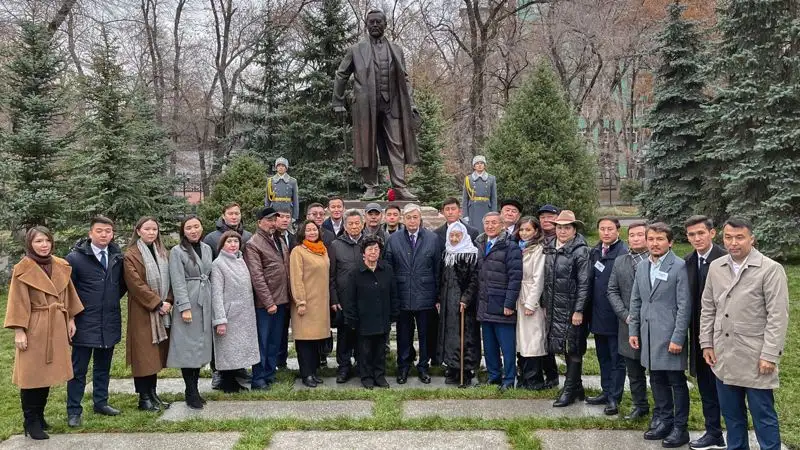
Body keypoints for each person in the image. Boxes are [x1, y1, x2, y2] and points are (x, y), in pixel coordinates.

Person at [700, 217, 788, 450]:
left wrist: (770, 355)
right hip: (723, 355)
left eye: (739, 237)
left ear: (751, 238)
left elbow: (778, 316)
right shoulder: (716, 268)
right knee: (732, 416)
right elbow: (708, 308)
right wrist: (706, 343)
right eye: (728, 237)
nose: (733, 243)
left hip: (755, 355)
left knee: (763, 416)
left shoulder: (770, 269)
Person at [333, 8, 420, 201]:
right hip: (365, 107)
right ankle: (370, 188)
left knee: (396, 145)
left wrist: (411, 104)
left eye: (378, 22)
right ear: (366, 25)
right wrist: (338, 101)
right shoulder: (356, 50)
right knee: (367, 146)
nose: (374, 25)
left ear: (385, 24)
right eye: (370, 22)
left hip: (393, 105)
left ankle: (399, 187)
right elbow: (341, 74)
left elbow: (405, 79)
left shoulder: (396, 50)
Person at [5, 227, 83, 440]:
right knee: (31, 375)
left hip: (56, 324)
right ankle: (30, 421)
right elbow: (17, 301)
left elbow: (69, 293)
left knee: (46, 373)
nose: (44, 245)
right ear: (30, 244)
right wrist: (19, 330)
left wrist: (70, 318)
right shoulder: (23, 269)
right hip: (34, 326)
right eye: (39, 241)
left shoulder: (60, 265)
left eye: (47, 240)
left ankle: (39, 416)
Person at [629, 222, 692, 448]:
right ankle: (664, 421)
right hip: (648, 335)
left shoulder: (679, 266)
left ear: (670, 242)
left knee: (675, 381)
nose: (655, 243)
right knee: (656, 379)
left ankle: (680, 427)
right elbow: (636, 300)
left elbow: (684, 306)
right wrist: (633, 330)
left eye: (660, 239)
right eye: (651, 239)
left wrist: (678, 338)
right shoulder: (643, 266)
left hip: (670, 336)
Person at [65, 216, 125, 427]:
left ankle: (101, 402)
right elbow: (67, 291)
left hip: (108, 321)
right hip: (84, 322)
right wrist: (71, 317)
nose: (104, 235)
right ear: (91, 233)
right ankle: (74, 410)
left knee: (103, 367)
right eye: (99, 231)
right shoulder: (75, 258)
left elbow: (121, 286)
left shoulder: (117, 256)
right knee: (78, 369)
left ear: (112, 234)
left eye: (108, 231)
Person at [683, 215, 727, 450]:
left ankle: (736, 435)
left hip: (723, 335)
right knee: (706, 387)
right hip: (699, 335)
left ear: (712, 233)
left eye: (701, 233)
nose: (697, 238)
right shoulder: (689, 261)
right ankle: (714, 433)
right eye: (691, 234)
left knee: (726, 387)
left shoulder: (725, 259)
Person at [385, 203, 442, 384]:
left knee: (425, 334)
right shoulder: (394, 240)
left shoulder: (432, 239)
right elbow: (389, 268)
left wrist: (437, 296)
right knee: (403, 335)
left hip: (425, 294)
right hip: (403, 295)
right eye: (408, 217)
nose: (411, 221)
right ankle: (403, 366)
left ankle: (423, 367)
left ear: (420, 219)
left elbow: (437, 269)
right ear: (403, 219)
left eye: (415, 217)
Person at [542, 210, 590, 407]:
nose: (562, 231)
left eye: (567, 227)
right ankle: (577, 387)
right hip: (555, 307)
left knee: (573, 348)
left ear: (574, 229)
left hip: (572, 308)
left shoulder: (580, 250)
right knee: (562, 347)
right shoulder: (550, 247)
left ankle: (569, 389)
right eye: (559, 227)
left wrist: (579, 310)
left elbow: (585, 283)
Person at [124, 217, 173, 412]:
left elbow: (171, 278)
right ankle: (143, 398)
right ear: (138, 231)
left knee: (155, 356)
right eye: (147, 229)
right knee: (143, 356)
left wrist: (168, 301)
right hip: (142, 312)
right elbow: (135, 284)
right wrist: (157, 303)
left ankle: (153, 394)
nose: (151, 232)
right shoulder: (131, 255)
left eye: (155, 229)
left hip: (162, 311)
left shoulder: (162, 252)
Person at [203, 202, 253, 389]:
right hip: (221, 294)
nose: (234, 216)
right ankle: (218, 371)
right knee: (222, 337)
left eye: (237, 213)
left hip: (241, 296)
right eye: (230, 213)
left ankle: (238, 368)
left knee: (238, 336)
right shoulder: (211, 238)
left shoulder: (247, 236)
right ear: (223, 215)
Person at [166, 216, 213, 410]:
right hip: (189, 302)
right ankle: (190, 390)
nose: (193, 230)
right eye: (189, 228)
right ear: (183, 231)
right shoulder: (177, 252)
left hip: (205, 300)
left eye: (196, 226)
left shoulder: (207, 248)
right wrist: (184, 307)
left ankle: (196, 389)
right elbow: (177, 280)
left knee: (201, 346)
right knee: (188, 347)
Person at [607, 221, 651, 421]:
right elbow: (612, 290)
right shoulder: (621, 261)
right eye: (631, 235)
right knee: (633, 371)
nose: (635, 239)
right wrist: (625, 315)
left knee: (659, 372)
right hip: (627, 324)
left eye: (640, 235)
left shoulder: (655, 261)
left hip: (653, 324)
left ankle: (662, 409)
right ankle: (639, 405)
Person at [475, 212, 523, 390]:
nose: (490, 226)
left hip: (502, 304)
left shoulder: (511, 247)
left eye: (494, 223)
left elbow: (515, 277)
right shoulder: (480, 243)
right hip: (485, 303)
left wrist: (509, 303)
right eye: (486, 223)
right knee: (489, 345)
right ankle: (493, 375)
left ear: (502, 225)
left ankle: (509, 379)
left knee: (507, 346)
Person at [245, 207, 290, 390]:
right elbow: (257, 277)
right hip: (265, 304)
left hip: (282, 300)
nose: (272, 223)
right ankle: (258, 377)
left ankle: (270, 373)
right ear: (259, 223)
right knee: (262, 341)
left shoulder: (279, 240)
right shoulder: (253, 244)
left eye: (274, 220)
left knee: (275, 340)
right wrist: (268, 302)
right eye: (269, 220)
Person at [344, 235, 399, 389]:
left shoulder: (387, 269)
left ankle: (379, 376)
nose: (373, 252)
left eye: (376, 249)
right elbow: (350, 299)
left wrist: (394, 313)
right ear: (363, 253)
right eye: (370, 249)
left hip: (382, 318)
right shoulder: (355, 273)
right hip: (363, 320)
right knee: (365, 351)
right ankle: (366, 377)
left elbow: (393, 293)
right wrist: (352, 318)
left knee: (380, 350)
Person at [587, 217, 628, 415]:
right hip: (598, 315)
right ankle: (606, 390)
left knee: (616, 359)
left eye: (610, 229)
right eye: (602, 228)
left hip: (616, 316)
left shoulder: (623, 252)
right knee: (603, 357)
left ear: (618, 231)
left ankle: (615, 397)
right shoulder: (595, 251)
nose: (606, 232)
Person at [210, 231, 260, 393]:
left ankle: (235, 381)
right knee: (228, 350)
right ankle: (227, 383)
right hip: (229, 314)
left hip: (244, 314)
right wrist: (220, 319)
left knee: (238, 349)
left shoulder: (242, 261)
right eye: (229, 242)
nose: (233, 245)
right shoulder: (218, 264)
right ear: (222, 244)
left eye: (236, 242)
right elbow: (216, 294)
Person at [436, 222, 481, 385]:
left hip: (464, 304)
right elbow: (442, 278)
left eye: (458, 235)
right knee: (450, 337)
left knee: (465, 337)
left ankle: (466, 369)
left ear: (464, 236)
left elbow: (474, 280)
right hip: (448, 302)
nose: (454, 239)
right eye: (452, 235)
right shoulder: (447, 252)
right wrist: (439, 298)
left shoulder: (470, 254)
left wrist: (466, 298)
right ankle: (453, 368)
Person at [290, 220, 332, 388]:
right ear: (302, 233)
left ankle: (313, 372)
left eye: (314, 229)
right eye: (308, 230)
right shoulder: (298, 252)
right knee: (305, 340)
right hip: (305, 303)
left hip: (321, 304)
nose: (312, 232)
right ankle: (306, 374)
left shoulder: (323, 250)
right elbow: (296, 278)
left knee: (316, 341)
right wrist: (300, 301)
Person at [329, 210, 368, 383]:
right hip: (344, 300)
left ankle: (361, 365)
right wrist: (334, 299)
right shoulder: (336, 245)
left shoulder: (369, 243)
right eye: (350, 224)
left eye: (357, 223)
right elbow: (331, 275)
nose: (354, 226)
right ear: (345, 226)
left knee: (362, 335)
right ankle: (344, 367)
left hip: (364, 299)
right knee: (345, 336)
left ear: (362, 224)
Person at [514, 217, 548, 390]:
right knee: (521, 340)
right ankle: (523, 377)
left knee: (533, 340)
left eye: (528, 230)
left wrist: (530, 303)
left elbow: (538, 279)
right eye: (521, 230)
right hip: (517, 296)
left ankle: (534, 379)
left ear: (536, 231)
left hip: (530, 297)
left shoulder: (538, 250)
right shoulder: (517, 248)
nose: (524, 233)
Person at [533, 204, 561, 390]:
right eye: (542, 217)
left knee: (553, 337)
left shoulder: (561, 238)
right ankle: (540, 372)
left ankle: (553, 375)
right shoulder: (537, 239)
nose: (546, 220)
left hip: (557, 296)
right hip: (537, 294)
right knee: (539, 336)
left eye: (550, 216)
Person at [305, 202, 336, 366]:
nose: (318, 217)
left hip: (325, 286)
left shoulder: (329, 236)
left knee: (325, 323)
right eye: (314, 214)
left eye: (320, 214)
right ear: (307, 217)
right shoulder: (301, 236)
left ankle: (324, 354)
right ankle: (311, 358)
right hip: (308, 289)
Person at [275, 206, 297, 370]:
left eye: (287, 217)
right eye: (281, 217)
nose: (284, 220)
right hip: (277, 291)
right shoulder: (271, 238)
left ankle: (282, 360)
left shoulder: (294, 238)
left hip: (293, 289)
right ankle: (276, 360)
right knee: (277, 328)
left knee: (286, 326)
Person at [461, 155, 497, 232]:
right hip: (473, 210)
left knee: (487, 229)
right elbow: (465, 199)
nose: (479, 165)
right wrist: (465, 215)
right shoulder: (468, 179)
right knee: (473, 231)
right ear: (474, 166)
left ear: (485, 165)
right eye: (477, 163)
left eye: (482, 163)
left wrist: (494, 214)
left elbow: (494, 198)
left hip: (486, 209)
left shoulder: (491, 178)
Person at [265, 157, 299, 223]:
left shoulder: (292, 181)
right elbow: (267, 199)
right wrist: (267, 214)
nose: (280, 167)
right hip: (274, 210)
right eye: (279, 165)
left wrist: (295, 216)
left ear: (286, 168)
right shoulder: (270, 181)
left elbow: (295, 200)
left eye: (283, 166)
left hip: (287, 210)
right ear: (276, 167)